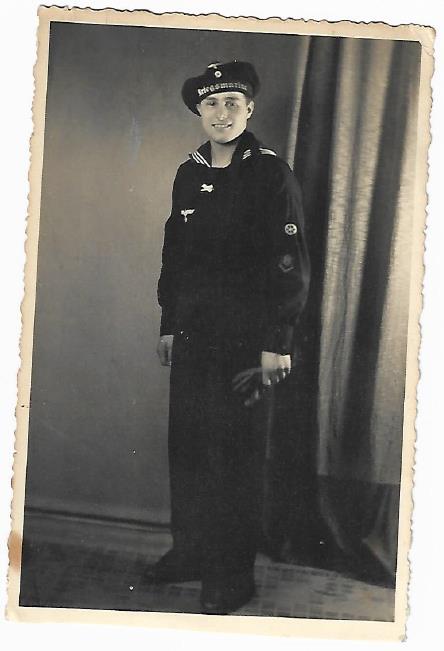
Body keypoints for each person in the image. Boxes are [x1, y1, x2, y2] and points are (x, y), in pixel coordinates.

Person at [149, 60, 310, 614]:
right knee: (190, 447)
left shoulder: (270, 174)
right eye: (212, 104)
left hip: (247, 341)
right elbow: (175, 254)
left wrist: (278, 341)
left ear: (250, 109)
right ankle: (190, 552)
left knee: (235, 456)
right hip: (195, 334)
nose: (222, 114)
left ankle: (232, 573)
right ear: (200, 111)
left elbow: (289, 263)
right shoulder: (188, 173)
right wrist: (169, 324)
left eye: (232, 103)